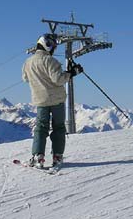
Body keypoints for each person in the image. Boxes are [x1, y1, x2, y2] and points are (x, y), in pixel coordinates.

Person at [22, 34, 83, 168]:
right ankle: (57, 156)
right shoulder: (51, 61)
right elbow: (58, 80)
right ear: (47, 45)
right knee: (59, 128)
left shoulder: (28, 62)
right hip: (56, 100)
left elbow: (25, 78)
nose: (54, 49)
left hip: (40, 100)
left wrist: (39, 80)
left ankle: (38, 156)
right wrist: (72, 73)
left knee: (41, 128)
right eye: (53, 46)